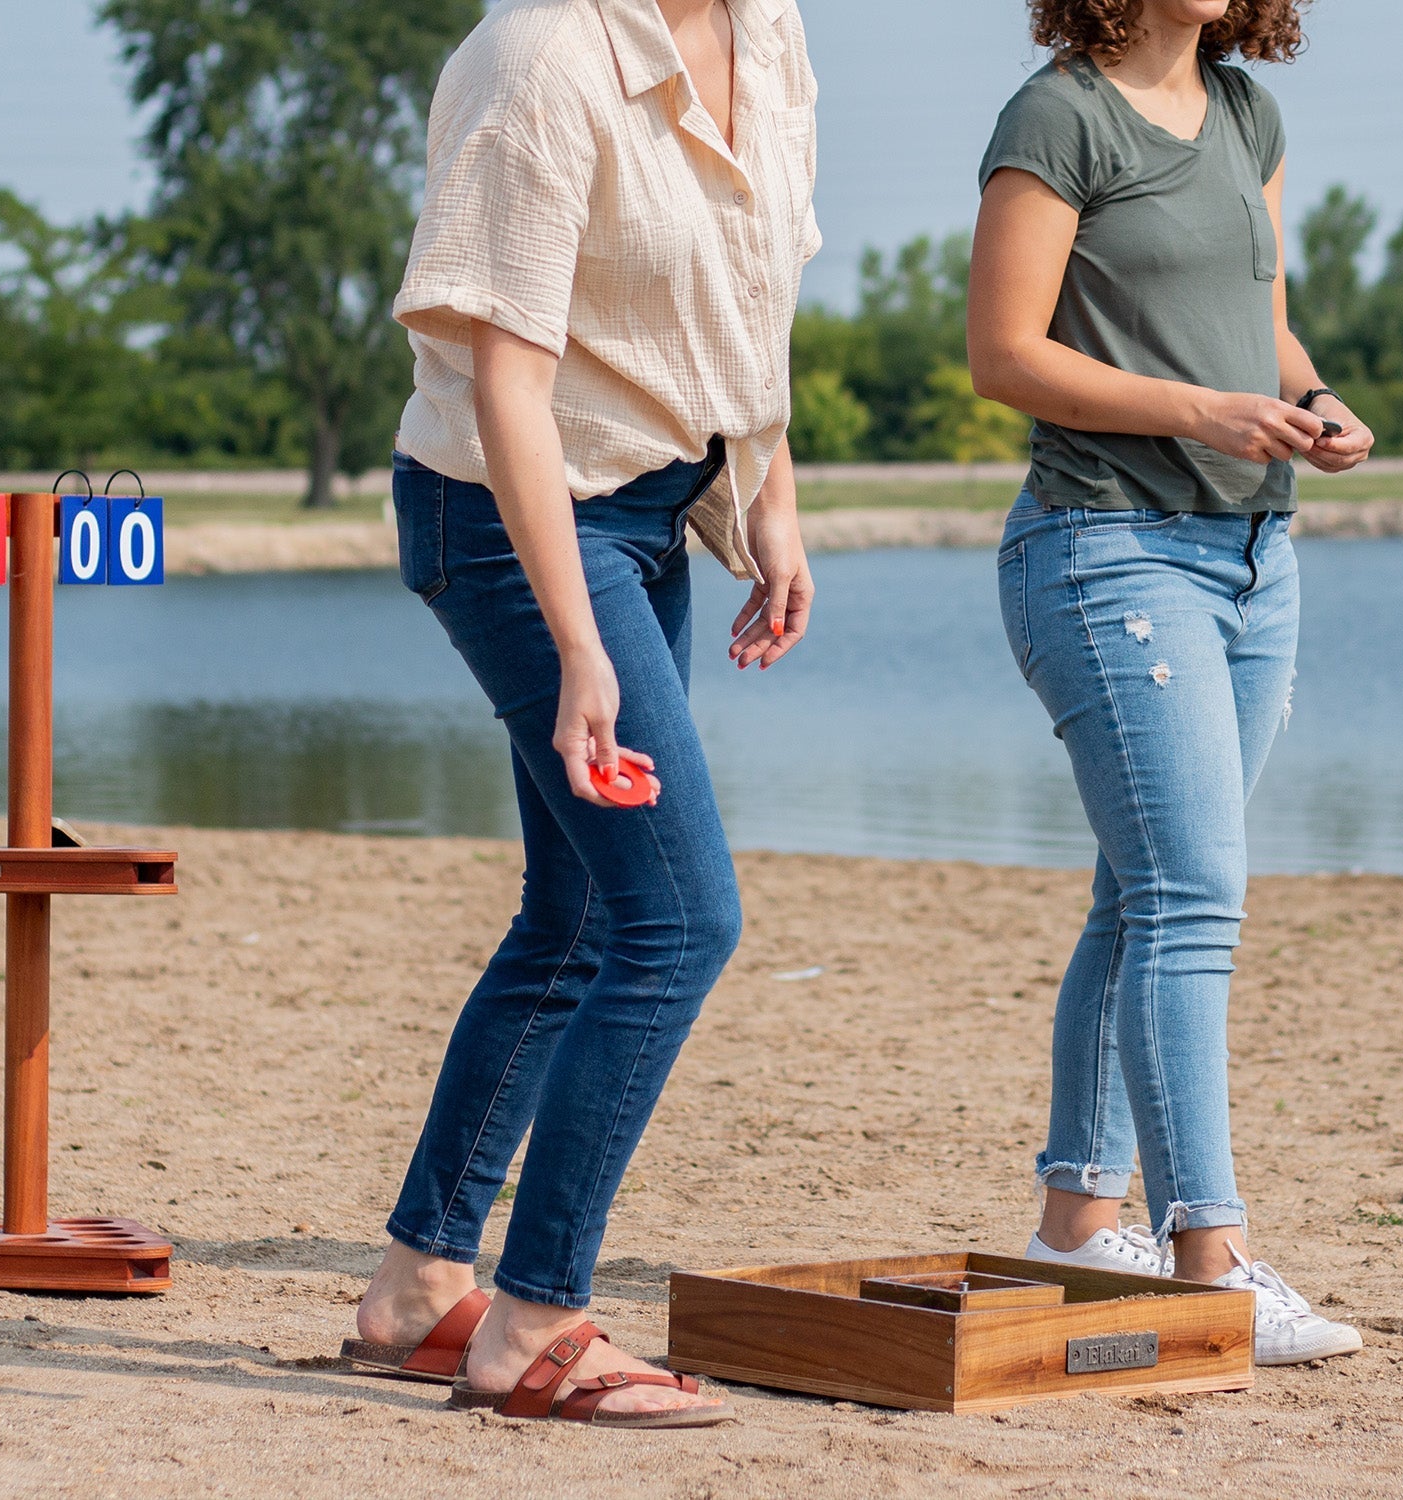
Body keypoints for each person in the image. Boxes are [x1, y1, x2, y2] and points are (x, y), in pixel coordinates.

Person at [335, 0, 820, 1428]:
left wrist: (772, 505)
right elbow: (508, 382)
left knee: (586, 914)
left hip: (651, 503)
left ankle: (421, 1286)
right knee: (679, 920)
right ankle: (536, 1316)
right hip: (507, 513)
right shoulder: (539, 57)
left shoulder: (771, 34)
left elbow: (753, 288)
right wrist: (577, 646)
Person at [966, 0, 1372, 1366]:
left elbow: (1256, 314)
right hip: (1105, 551)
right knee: (1192, 903)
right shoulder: (1058, 116)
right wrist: (1202, 410)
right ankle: (1213, 1259)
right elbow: (1006, 353)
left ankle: (1078, 1223)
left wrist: (1314, 402)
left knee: (1139, 894)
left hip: (1257, 560)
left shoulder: (1249, 113)